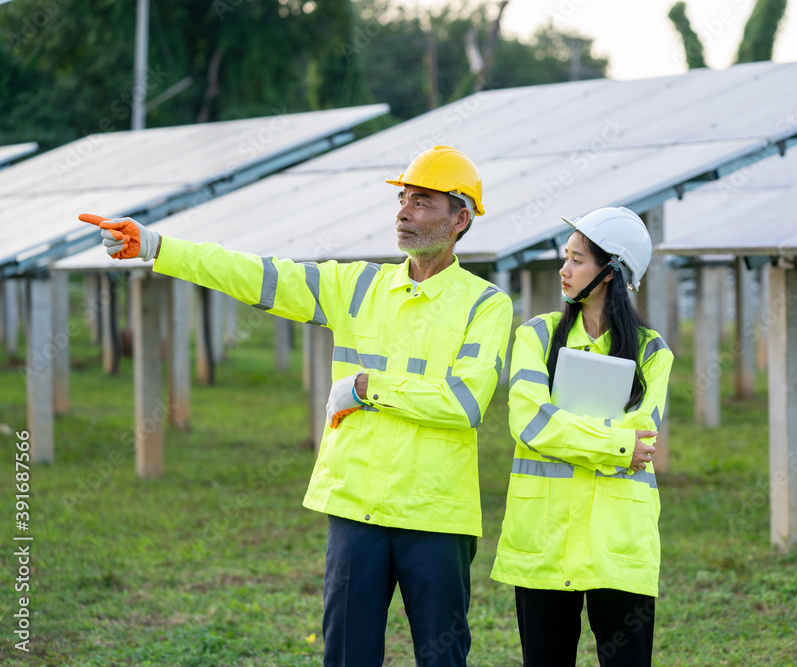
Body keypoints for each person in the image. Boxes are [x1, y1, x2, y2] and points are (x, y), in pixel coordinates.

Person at [82, 145, 513, 667]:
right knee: (346, 655)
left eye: (422, 202)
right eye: (402, 199)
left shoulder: (486, 304)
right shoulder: (357, 286)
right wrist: (157, 245)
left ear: (459, 218)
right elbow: (259, 276)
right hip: (356, 510)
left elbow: (464, 404)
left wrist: (364, 386)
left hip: (436, 515)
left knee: (442, 658)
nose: (403, 212)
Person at [490, 207, 673, 667]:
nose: (563, 269)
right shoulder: (536, 336)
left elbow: (642, 435)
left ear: (610, 272)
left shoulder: (652, 352)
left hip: (619, 543)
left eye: (576, 259)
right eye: (565, 256)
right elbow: (530, 423)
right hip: (544, 541)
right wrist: (615, 445)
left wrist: (567, 428)